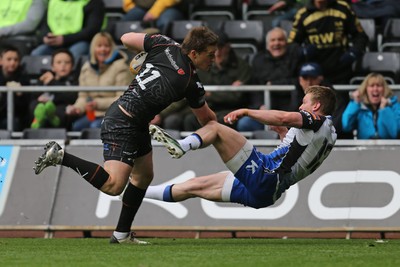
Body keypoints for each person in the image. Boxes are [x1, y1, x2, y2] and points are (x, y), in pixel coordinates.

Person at [33, 26, 219, 244]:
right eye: (210, 54)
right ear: (194, 53)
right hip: (122, 123)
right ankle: (61, 156)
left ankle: (121, 234)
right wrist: (221, 127)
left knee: (143, 176)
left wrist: (148, 52)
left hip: (131, 119)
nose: (213, 59)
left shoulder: (164, 43)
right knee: (113, 186)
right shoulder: (190, 82)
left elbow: (125, 38)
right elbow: (206, 120)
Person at [148, 85, 337, 209]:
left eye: (304, 102)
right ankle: (136, 193)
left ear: (316, 106)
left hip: (266, 175)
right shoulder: (330, 133)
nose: (300, 106)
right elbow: (295, 156)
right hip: (269, 193)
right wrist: (282, 133)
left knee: (215, 128)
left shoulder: (316, 121)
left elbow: (284, 117)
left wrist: (246, 111)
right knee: (194, 186)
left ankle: (181, 145)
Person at [183, 30, 252, 131]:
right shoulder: (203, 65)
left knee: (226, 120)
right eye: (213, 49)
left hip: (233, 110)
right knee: (189, 119)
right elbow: (199, 94)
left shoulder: (242, 67)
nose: (217, 52)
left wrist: (210, 94)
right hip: (209, 109)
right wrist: (228, 92)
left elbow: (237, 97)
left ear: (228, 47)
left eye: (221, 47)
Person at [236, 27, 301, 131]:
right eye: (273, 40)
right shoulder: (258, 60)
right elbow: (254, 87)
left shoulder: (295, 58)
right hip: (265, 112)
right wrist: (260, 105)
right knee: (244, 124)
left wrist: (275, 84)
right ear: (267, 45)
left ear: (286, 42)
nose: (276, 43)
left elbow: (299, 81)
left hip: (290, 111)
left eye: (280, 40)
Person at [288, 0, 368, 85]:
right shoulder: (302, 14)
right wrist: (303, 51)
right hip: (315, 74)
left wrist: (353, 52)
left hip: (341, 71)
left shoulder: (344, 8)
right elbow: (291, 45)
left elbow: (361, 36)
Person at [65, 32, 132, 131]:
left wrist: (97, 103)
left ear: (112, 48)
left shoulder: (121, 67)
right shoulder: (86, 68)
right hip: (93, 114)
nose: (103, 49)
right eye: (99, 46)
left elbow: (123, 98)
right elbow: (83, 97)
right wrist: (77, 108)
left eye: (106, 46)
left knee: (95, 127)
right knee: (76, 126)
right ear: (93, 49)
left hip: (115, 114)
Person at [30, 0, 105, 62]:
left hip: (79, 41)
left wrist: (64, 39)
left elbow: (91, 30)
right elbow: (44, 26)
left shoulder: (94, 3)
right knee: (36, 54)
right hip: (54, 43)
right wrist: (45, 37)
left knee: (72, 55)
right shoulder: (53, 2)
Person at [29, 48, 78, 129]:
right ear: (52, 66)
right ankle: (38, 120)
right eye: (59, 62)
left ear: (72, 66)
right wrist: (40, 83)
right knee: (35, 104)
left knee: (62, 108)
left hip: (60, 113)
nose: (63, 65)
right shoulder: (45, 77)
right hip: (42, 107)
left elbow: (71, 97)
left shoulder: (74, 80)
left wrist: (52, 82)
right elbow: (33, 96)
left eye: (67, 62)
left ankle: (53, 119)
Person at [342, 72, 400, 139]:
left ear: (384, 89)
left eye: (379, 85)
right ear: (366, 89)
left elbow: (395, 133)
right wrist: (355, 103)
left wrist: (384, 109)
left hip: (390, 147)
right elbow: (346, 126)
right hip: (364, 147)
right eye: (372, 86)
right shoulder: (358, 106)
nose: (375, 89)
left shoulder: (395, 106)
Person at [0, 45, 31, 130]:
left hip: (16, 117)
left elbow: (25, 107)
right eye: (9, 59)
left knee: (13, 123)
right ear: (1, 61)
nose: (12, 63)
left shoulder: (23, 78)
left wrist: (20, 94)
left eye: (16, 60)